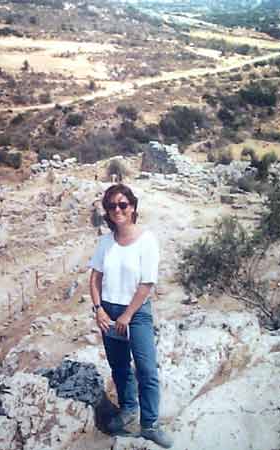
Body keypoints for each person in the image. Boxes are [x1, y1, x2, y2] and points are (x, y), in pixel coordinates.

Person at [88, 183, 174, 449]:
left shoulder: (147, 240)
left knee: (146, 369)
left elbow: (147, 284)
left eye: (122, 204)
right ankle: (128, 410)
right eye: (112, 205)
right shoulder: (105, 242)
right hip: (108, 311)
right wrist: (98, 309)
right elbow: (95, 278)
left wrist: (126, 315)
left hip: (135, 314)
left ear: (133, 207)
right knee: (120, 367)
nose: (117, 210)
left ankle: (150, 424)